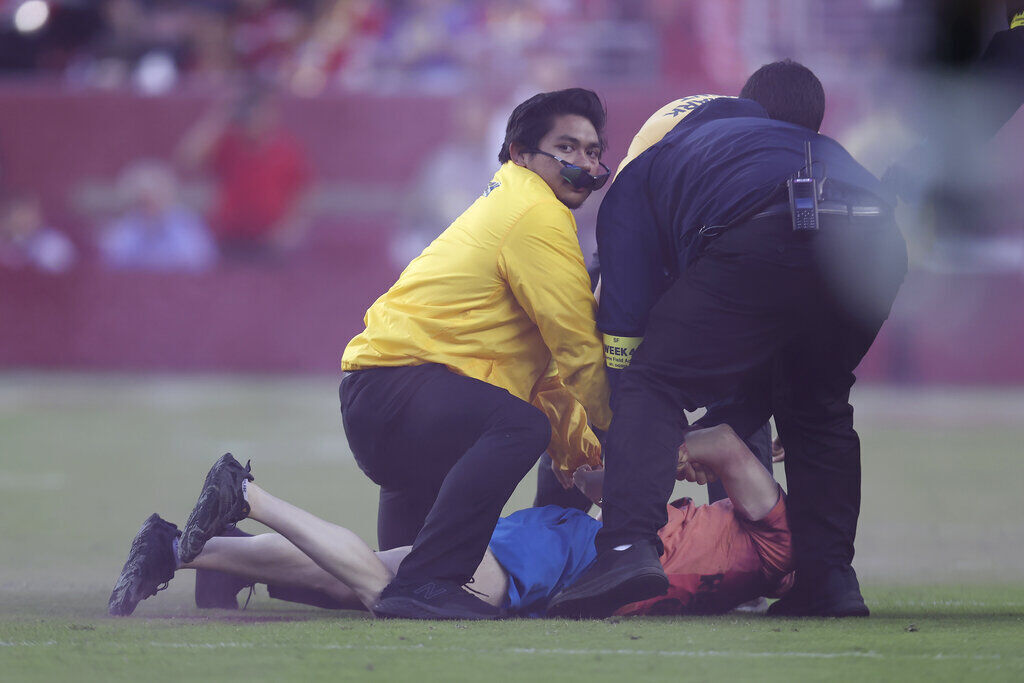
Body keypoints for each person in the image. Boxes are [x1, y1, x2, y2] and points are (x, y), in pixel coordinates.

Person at [546, 60, 907, 620]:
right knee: (817, 409)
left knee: (650, 381)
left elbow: (625, 333)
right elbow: (747, 336)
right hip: (878, 235)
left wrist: (638, 433)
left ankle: (624, 550)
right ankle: (829, 581)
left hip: (771, 226)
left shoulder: (648, 171)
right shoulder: (782, 143)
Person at [333, 88, 614, 620]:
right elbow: (577, 347)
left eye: (593, 151)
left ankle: (222, 557)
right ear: (520, 153)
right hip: (404, 393)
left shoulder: (511, 200)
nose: (584, 162)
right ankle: (433, 580)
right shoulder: (536, 213)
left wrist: (582, 458)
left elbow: (549, 377)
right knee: (521, 428)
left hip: (394, 398)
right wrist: (618, 435)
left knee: (380, 576)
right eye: (567, 147)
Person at [107, 423, 792, 619]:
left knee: (368, 580)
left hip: (561, 544)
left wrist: (617, 475)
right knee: (391, 595)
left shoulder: (760, 541)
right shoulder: (779, 529)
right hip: (566, 554)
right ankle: (252, 498)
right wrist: (665, 456)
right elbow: (728, 445)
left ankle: (178, 546)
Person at [98, 161, 217, 271]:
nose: (150, 202)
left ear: (168, 194)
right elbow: (113, 260)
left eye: (157, 194)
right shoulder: (122, 228)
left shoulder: (188, 224)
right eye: (144, 199)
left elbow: (200, 260)